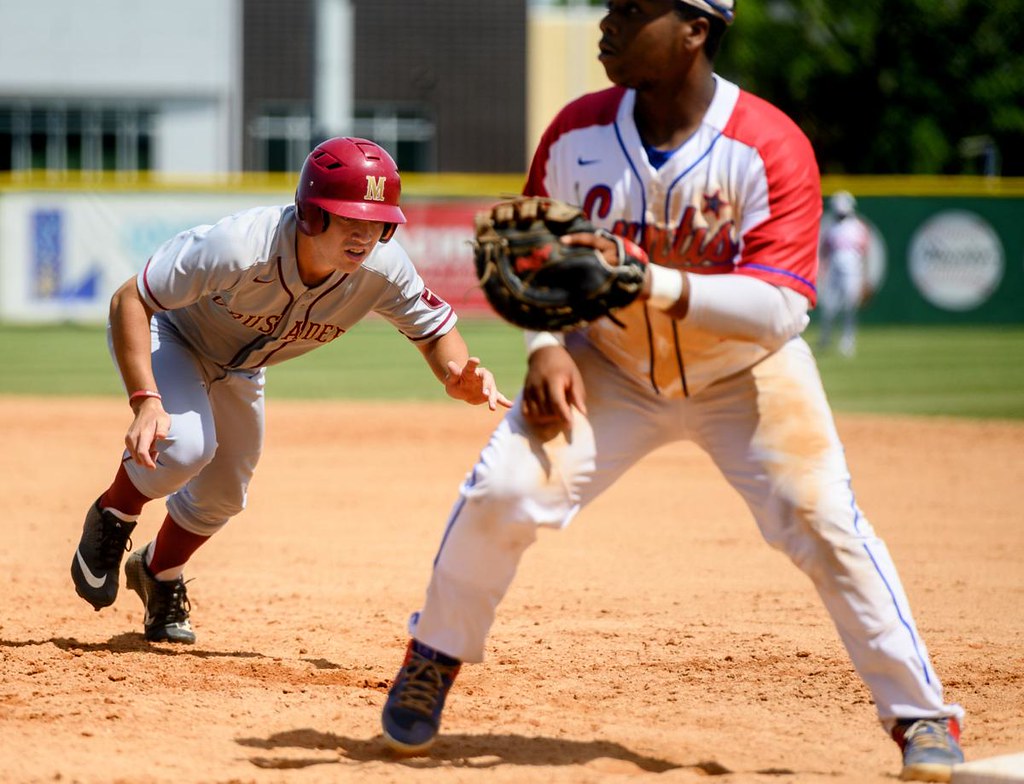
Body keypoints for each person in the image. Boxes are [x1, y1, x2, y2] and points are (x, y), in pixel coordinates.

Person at [378, 3, 964, 781]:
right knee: (504, 490)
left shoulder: (767, 145)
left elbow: (782, 306)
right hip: (609, 361)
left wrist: (647, 280)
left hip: (746, 373)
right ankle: (435, 653)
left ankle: (920, 715)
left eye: (631, 9)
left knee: (825, 522)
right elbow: (533, 256)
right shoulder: (576, 133)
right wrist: (547, 344)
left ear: (696, 28)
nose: (608, 23)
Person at [71, 136, 512, 645]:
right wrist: (146, 400)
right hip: (170, 334)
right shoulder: (240, 246)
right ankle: (114, 512)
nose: (365, 235)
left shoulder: (382, 270)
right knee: (186, 446)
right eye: (350, 218)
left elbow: (437, 336)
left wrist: (456, 377)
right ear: (311, 214)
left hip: (243, 367)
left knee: (223, 494)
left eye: (377, 221)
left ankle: (158, 572)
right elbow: (131, 298)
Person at [817, 190, 871, 357]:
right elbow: (824, 251)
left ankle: (848, 341)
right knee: (829, 306)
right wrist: (822, 270)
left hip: (852, 271)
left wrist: (864, 277)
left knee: (849, 307)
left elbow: (865, 252)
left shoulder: (858, 227)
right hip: (834, 269)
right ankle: (825, 338)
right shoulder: (830, 227)